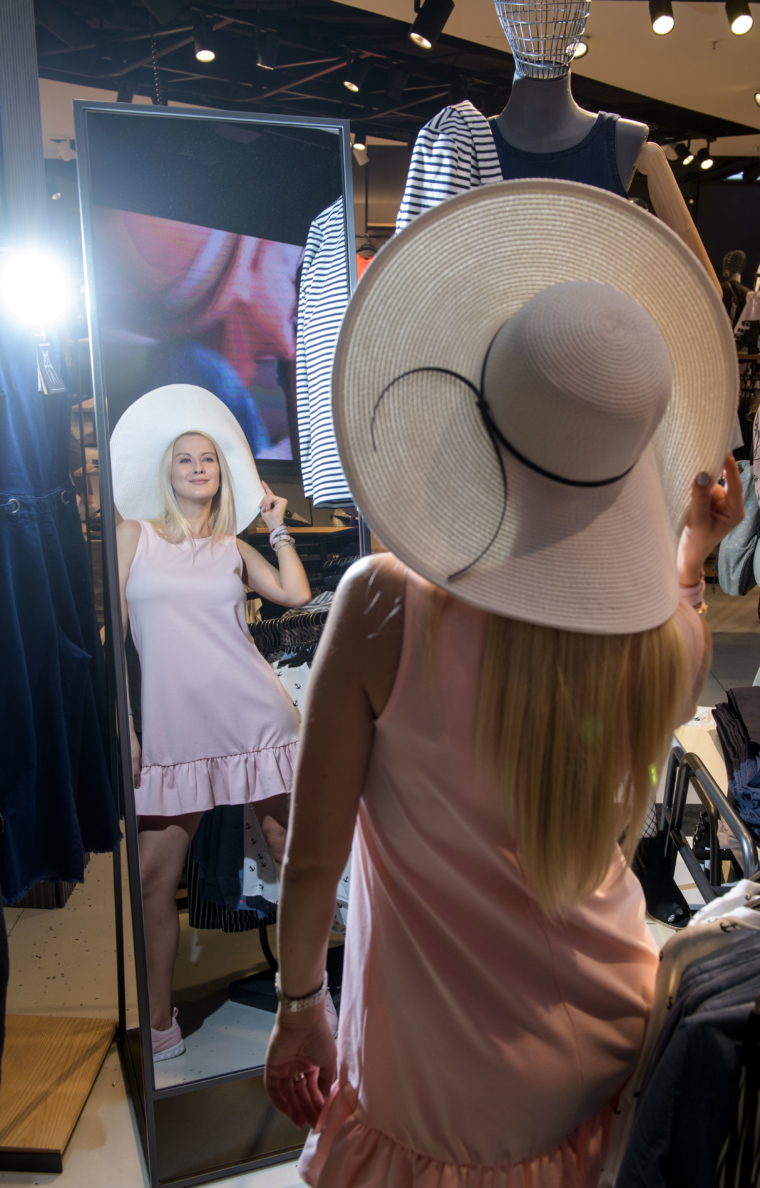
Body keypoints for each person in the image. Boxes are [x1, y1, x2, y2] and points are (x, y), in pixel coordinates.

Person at [263, 180, 742, 1186]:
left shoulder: (386, 605)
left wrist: (300, 1004)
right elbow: (680, 617)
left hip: (431, 1078)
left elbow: (312, 863)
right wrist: (692, 549)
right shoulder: (662, 640)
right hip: (606, 1037)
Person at [111, 384, 311, 1060]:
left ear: (221, 474)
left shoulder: (231, 545)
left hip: (253, 720)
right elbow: (112, 642)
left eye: (208, 460)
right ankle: (160, 1023)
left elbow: (295, 594)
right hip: (172, 733)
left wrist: (276, 524)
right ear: (164, 474)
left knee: (293, 860)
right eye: (184, 460)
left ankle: (304, 999)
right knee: (151, 879)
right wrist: (127, 727)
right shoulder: (132, 537)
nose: (198, 467)